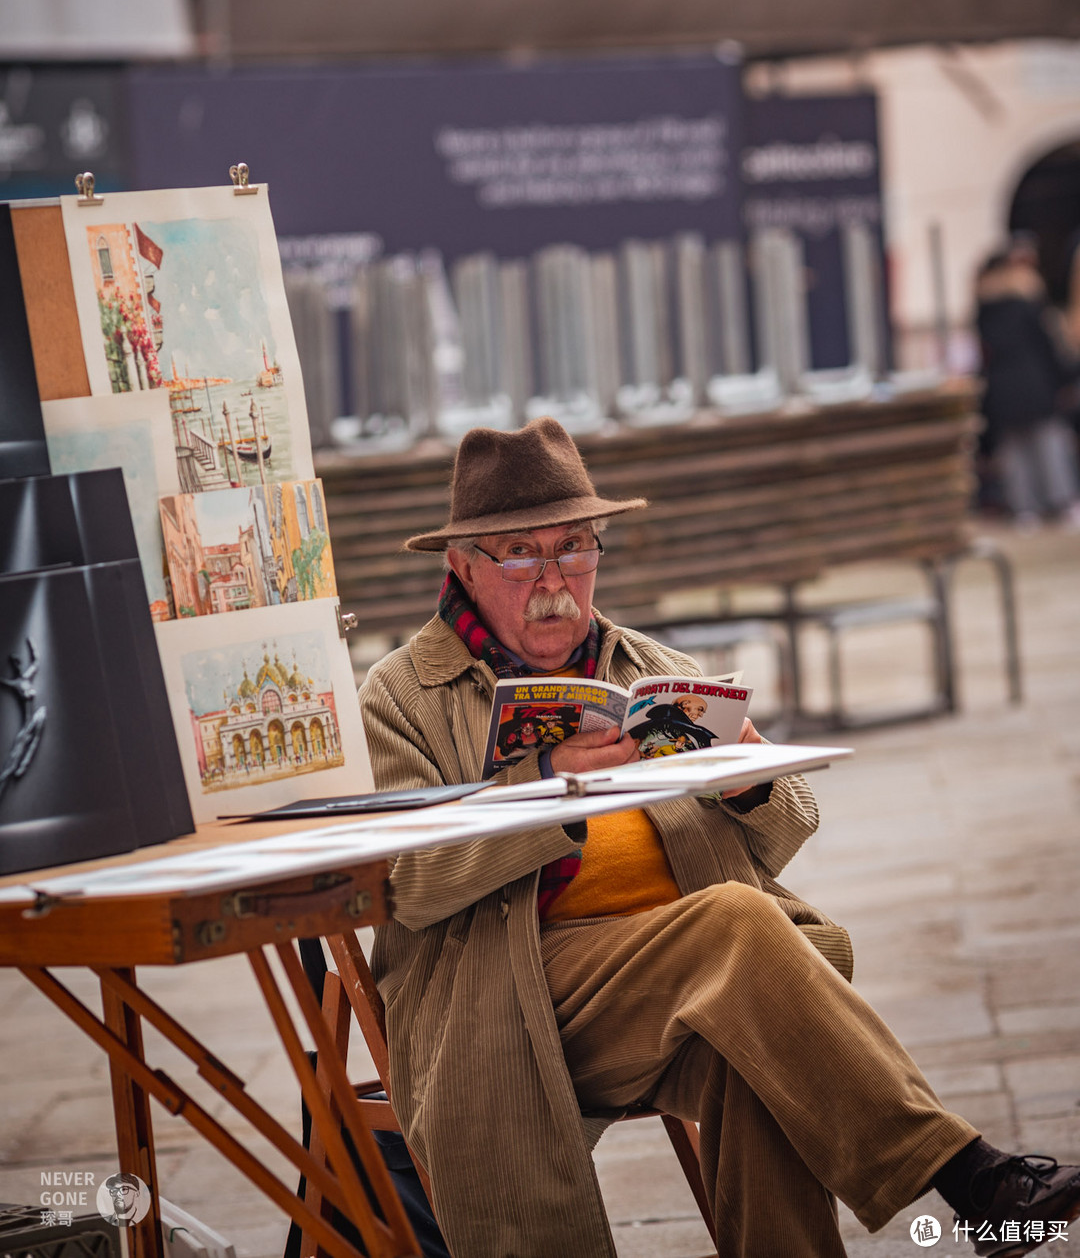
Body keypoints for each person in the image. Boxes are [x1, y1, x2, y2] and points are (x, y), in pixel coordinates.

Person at [360, 418, 1080, 1258]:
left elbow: (793, 820)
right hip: (509, 990)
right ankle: (968, 1174)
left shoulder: (647, 667)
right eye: (521, 551)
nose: (554, 578)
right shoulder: (406, 693)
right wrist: (550, 782)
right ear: (463, 564)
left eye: (575, 546)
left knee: (760, 1066)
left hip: (686, 990)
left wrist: (752, 781)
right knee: (734, 921)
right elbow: (413, 880)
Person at [976, 248, 1080, 527]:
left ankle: (1025, 508)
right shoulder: (1029, 304)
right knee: (1048, 444)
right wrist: (1065, 378)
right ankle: (1062, 501)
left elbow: (984, 355)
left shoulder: (985, 309)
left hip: (1002, 389)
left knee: (1014, 451)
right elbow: (1046, 347)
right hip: (1035, 383)